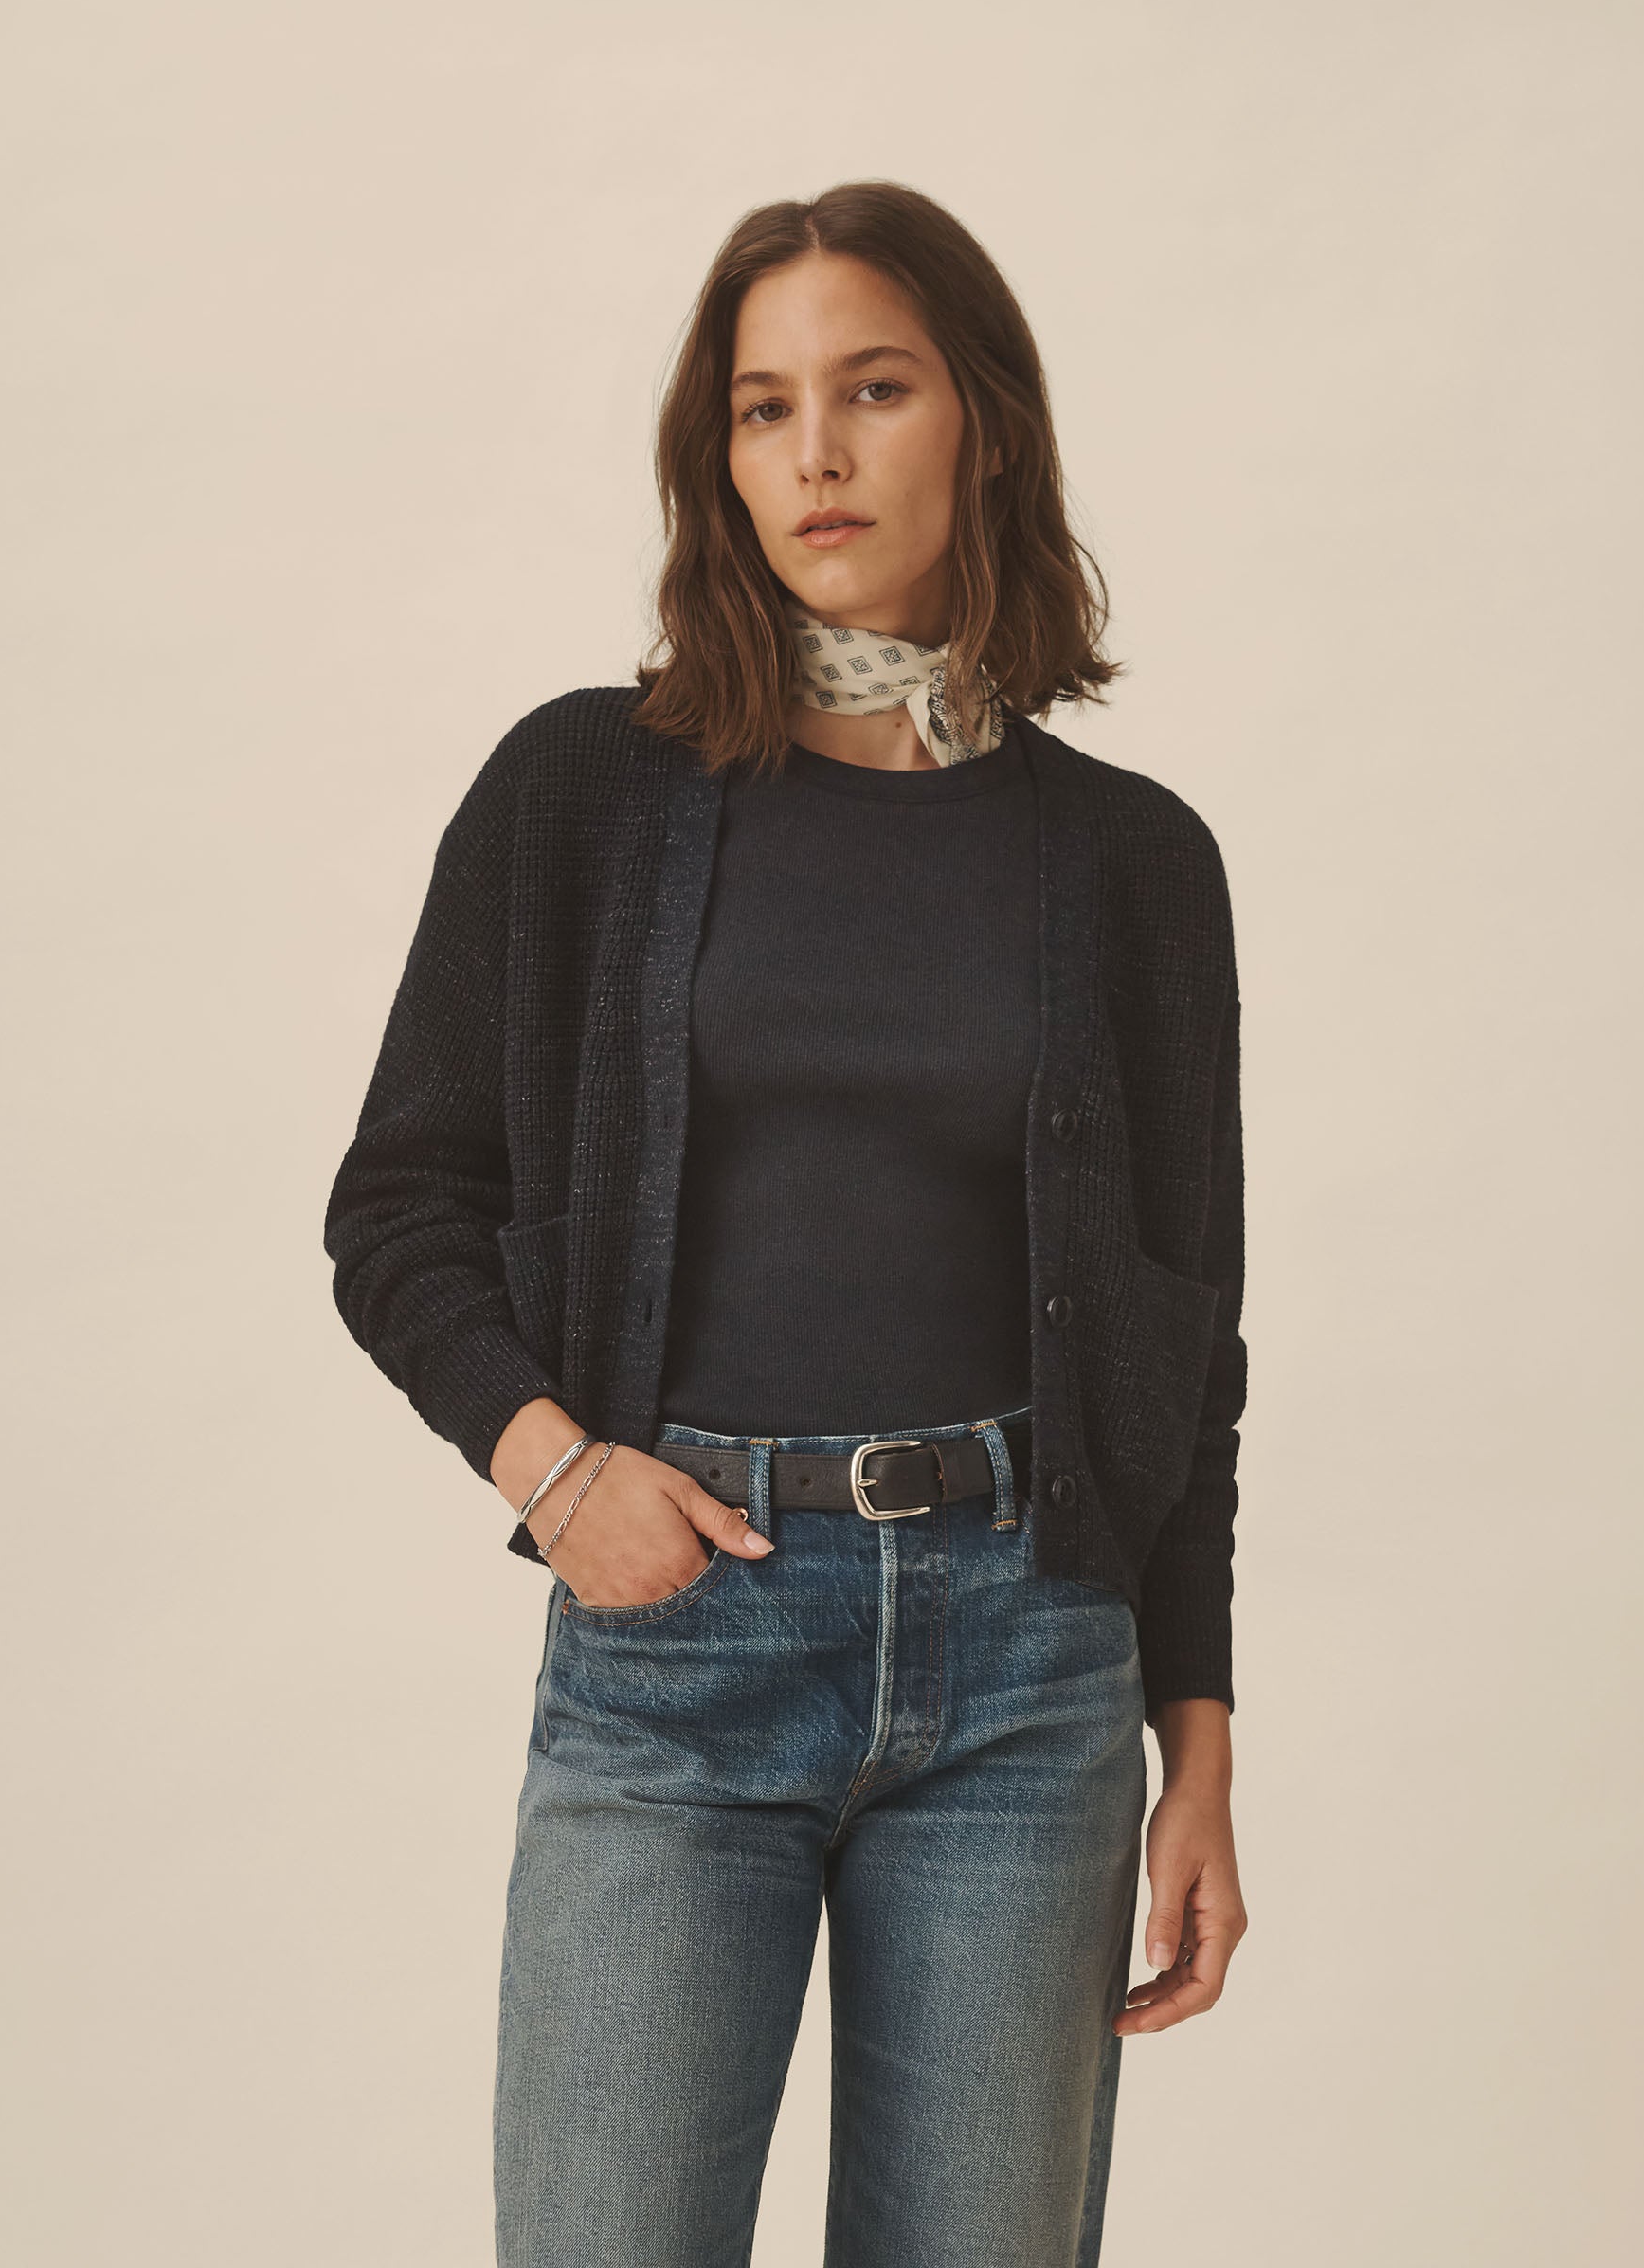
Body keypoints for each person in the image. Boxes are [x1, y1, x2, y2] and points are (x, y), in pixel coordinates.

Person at [323, 179, 1250, 2268]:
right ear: (718, 455)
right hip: (681, 1655)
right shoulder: (584, 791)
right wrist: (559, 1476)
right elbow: (401, 1209)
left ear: (984, 425)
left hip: (1029, 1671)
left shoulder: (1132, 863)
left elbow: (1186, 1345)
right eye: (763, 407)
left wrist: (1194, 1744)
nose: (815, 452)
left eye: (875, 389)